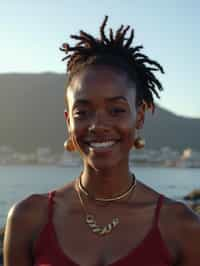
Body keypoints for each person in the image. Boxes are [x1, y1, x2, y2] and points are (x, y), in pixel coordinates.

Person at [3, 16, 200, 266]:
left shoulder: (182, 227)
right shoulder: (27, 219)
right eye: (82, 112)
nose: (98, 125)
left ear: (139, 115)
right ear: (68, 121)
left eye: (116, 110)